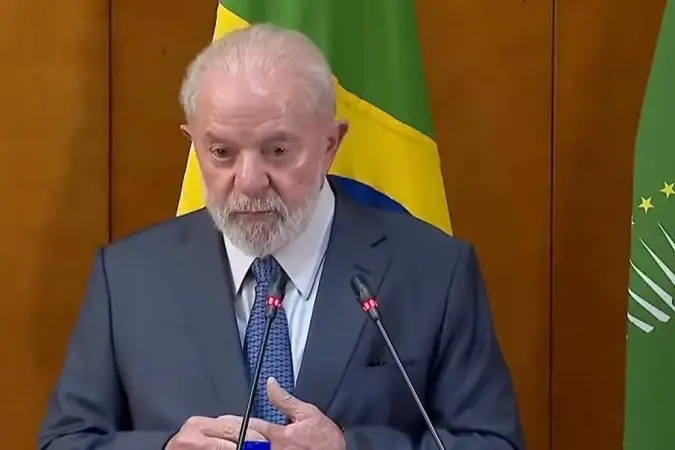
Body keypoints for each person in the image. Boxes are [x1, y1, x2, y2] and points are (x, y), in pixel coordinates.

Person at [39, 23, 524, 450]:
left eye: (277, 151)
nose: (250, 181)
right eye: (222, 152)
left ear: (330, 144)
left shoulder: (433, 271)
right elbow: (65, 441)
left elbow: (493, 442)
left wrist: (349, 448)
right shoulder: (127, 278)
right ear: (194, 144)